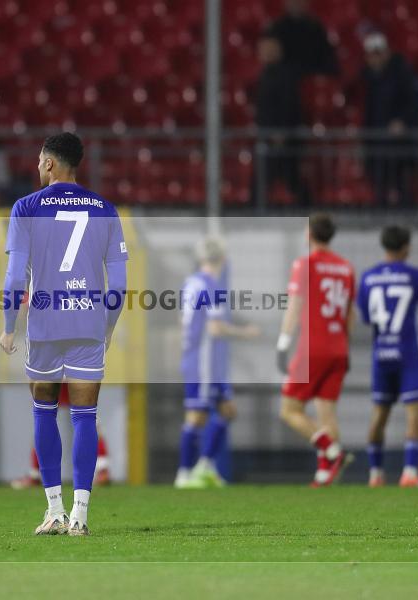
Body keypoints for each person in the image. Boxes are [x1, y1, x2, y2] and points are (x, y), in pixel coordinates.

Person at [0, 132, 128, 536]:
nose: (38, 168)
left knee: (44, 411)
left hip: (45, 325)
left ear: (50, 163)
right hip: (88, 321)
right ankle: (81, 516)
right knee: (86, 416)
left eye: (40, 161)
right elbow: (119, 284)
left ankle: (53, 510)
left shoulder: (26, 208)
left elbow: (15, 275)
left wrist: (7, 327)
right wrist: (106, 328)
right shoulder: (105, 209)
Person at [356, 225, 418, 487]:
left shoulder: (369, 277)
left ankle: (375, 474)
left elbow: (366, 316)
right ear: (406, 247)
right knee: (414, 412)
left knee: (378, 415)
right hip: (409, 353)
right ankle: (409, 473)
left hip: (382, 353)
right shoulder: (416, 276)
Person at [174, 238, 260, 489]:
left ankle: (205, 466)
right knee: (196, 416)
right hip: (204, 363)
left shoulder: (190, 283)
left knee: (227, 410)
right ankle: (184, 473)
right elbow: (214, 327)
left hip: (200, 359)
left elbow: (183, 322)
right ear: (222, 259)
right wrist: (246, 333)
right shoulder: (211, 285)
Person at [276, 214, 355, 486]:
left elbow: (295, 305)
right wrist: (345, 345)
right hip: (339, 347)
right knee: (326, 411)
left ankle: (333, 451)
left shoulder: (305, 264)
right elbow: (349, 313)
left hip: (313, 348)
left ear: (309, 234)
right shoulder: (346, 268)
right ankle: (327, 475)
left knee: (288, 409)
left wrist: (283, 342)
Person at [254, 0, 340, 207]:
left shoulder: (285, 76)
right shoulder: (266, 75)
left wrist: (281, 131)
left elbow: (288, 105)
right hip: (271, 133)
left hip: (284, 134)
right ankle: (256, 208)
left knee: (287, 174)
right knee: (271, 177)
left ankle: (303, 206)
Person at [361, 32, 418, 207]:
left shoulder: (402, 72)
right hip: (377, 142)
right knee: (379, 186)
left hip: (399, 143)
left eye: (378, 53)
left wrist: (402, 121)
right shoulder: (367, 78)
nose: (375, 58)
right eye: (371, 54)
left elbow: (417, 99)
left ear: (387, 52)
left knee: (402, 187)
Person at [10, 384, 112, 489]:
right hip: (63, 374)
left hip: (64, 373)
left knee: (87, 419)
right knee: (46, 422)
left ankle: (35, 475)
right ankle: (36, 474)